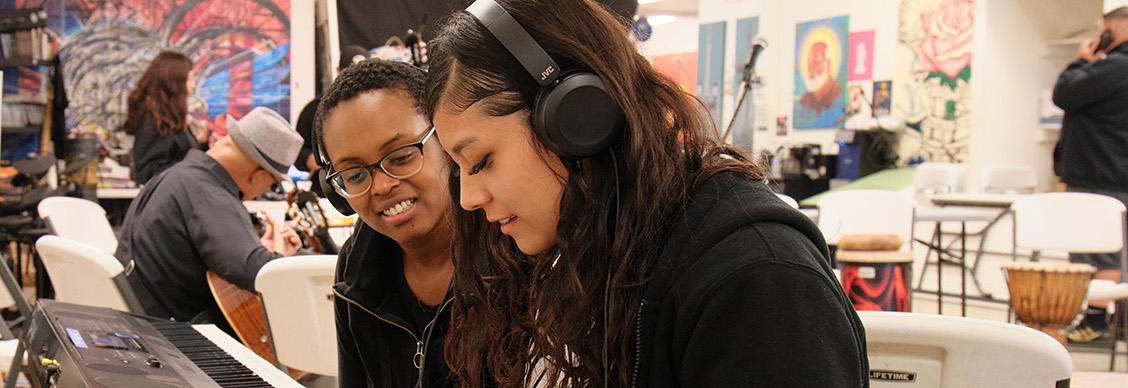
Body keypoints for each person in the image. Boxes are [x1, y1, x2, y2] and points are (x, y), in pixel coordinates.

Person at [425, 1, 868, 386]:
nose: (468, 197)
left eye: (481, 161)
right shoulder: (575, 250)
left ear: (577, 118)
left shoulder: (760, 282)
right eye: (460, 171)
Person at [316, 60, 457, 387]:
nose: (381, 186)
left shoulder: (514, 251)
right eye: (354, 175)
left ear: (448, 142)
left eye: (401, 156)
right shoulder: (356, 267)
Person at [116, 106, 304, 332]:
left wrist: (258, 248)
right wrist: (278, 258)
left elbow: (221, 255)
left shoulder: (178, 177)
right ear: (260, 175)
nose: (269, 188)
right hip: (178, 339)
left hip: (146, 325)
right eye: (273, 183)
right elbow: (259, 273)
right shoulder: (209, 194)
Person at [1052, 6, 1128, 343]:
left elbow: (1064, 94)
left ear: (1111, 31)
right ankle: (1122, 319)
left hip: (1099, 173)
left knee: (1094, 251)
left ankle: (1095, 322)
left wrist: (1081, 61)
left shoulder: (1112, 67)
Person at [124, 51, 205, 185]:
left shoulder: (170, 121)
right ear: (174, 82)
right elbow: (148, 172)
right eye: (190, 79)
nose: (193, 85)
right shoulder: (155, 123)